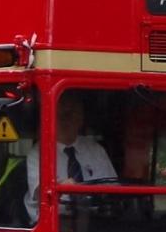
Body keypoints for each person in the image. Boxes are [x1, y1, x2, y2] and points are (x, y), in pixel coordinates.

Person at [24, 93, 117, 223]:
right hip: (52, 222)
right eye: (61, 115)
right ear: (51, 118)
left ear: (81, 118)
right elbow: (40, 194)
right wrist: (60, 188)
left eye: (71, 114)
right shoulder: (38, 152)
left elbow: (112, 189)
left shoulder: (96, 150)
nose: (66, 119)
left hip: (94, 221)